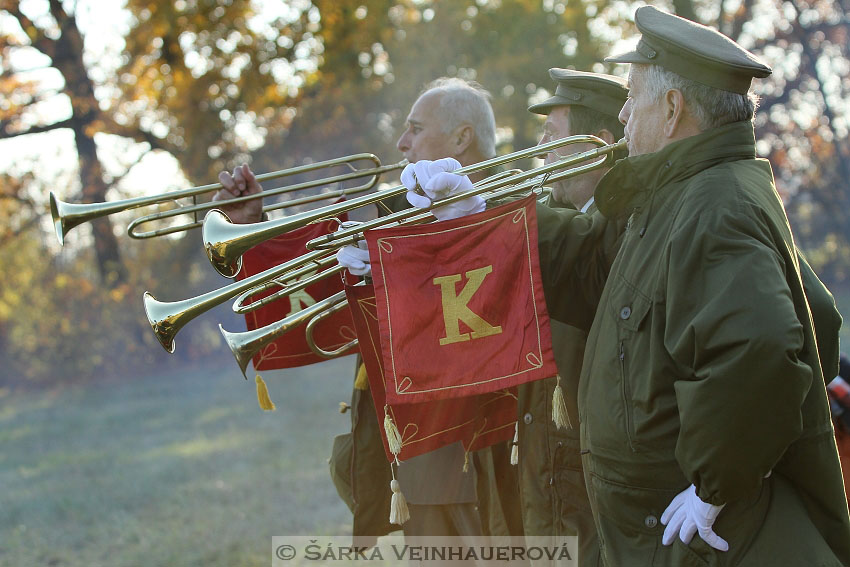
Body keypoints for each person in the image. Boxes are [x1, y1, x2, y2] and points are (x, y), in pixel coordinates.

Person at [398, 6, 850, 566]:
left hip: (694, 540)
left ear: (672, 107)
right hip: (662, 533)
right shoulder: (684, 193)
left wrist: (714, 487)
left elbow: (762, 348)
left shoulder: (713, 206)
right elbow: (592, 260)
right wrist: (482, 210)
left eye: (633, 97)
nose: (625, 113)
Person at [515, 69, 627, 566]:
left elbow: (582, 246)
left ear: (596, 146)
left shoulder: (617, 222)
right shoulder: (557, 213)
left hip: (589, 457)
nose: (540, 151)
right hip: (550, 452)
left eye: (553, 138)